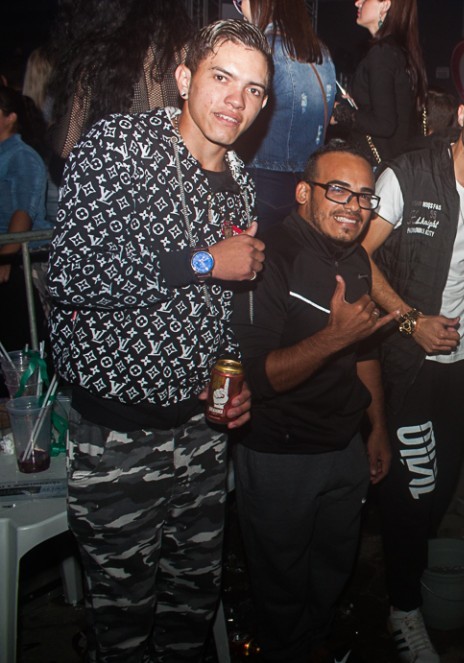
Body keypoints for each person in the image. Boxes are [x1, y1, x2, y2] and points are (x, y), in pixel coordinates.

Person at [47, 20, 271, 660]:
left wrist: (235, 378)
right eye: (222, 77)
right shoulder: (119, 146)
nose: (236, 100)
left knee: (191, 614)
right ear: (183, 78)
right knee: (122, 625)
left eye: (254, 90)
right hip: (119, 436)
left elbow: (222, 309)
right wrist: (204, 260)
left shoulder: (241, 179)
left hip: (202, 436)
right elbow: (71, 274)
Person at [360, 60, 464, 662]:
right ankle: (404, 610)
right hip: (407, 362)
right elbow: (357, 257)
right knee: (417, 486)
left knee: (439, 486)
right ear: (462, 114)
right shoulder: (407, 175)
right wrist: (410, 320)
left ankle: (400, 564)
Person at [230, 141, 396, 661]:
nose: (354, 206)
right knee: (280, 581)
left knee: (333, 565)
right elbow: (256, 376)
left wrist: (377, 428)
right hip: (280, 454)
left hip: (343, 447)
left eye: (364, 196)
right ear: (304, 192)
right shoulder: (269, 258)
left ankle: (317, 639)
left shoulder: (357, 260)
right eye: (339, 190)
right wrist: (333, 338)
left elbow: (365, 352)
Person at [47, 0, 195, 171]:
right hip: (178, 176)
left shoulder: (93, 57)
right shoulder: (188, 50)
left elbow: (65, 147)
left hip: (119, 177)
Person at [236, 0, 336, 230]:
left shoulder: (262, 47)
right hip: (308, 181)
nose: (240, 7)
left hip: (264, 178)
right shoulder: (320, 51)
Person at [341, 0, 427, 166]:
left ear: (385, 5)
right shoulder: (402, 51)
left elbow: (385, 125)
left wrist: (340, 112)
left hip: (376, 165)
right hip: (398, 164)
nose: (357, 3)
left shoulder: (382, 53)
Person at [0, 86, 50, 362]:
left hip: (20, 260)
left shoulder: (22, 156)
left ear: (10, 117)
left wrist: (6, 256)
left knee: (22, 344)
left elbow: (24, 211)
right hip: (10, 256)